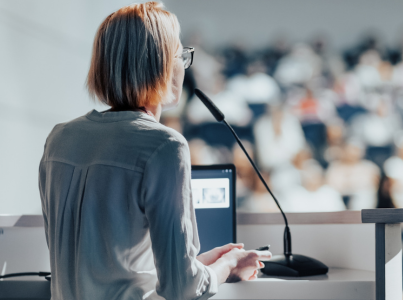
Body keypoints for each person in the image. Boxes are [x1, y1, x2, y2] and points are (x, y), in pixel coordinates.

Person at [38, 3, 271, 299]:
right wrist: (228, 265)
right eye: (180, 55)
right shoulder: (164, 146)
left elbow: (104, 271)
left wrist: (196, 265)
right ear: (159, 64)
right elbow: (181, 288)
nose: (184, 65)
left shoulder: (59, 139)